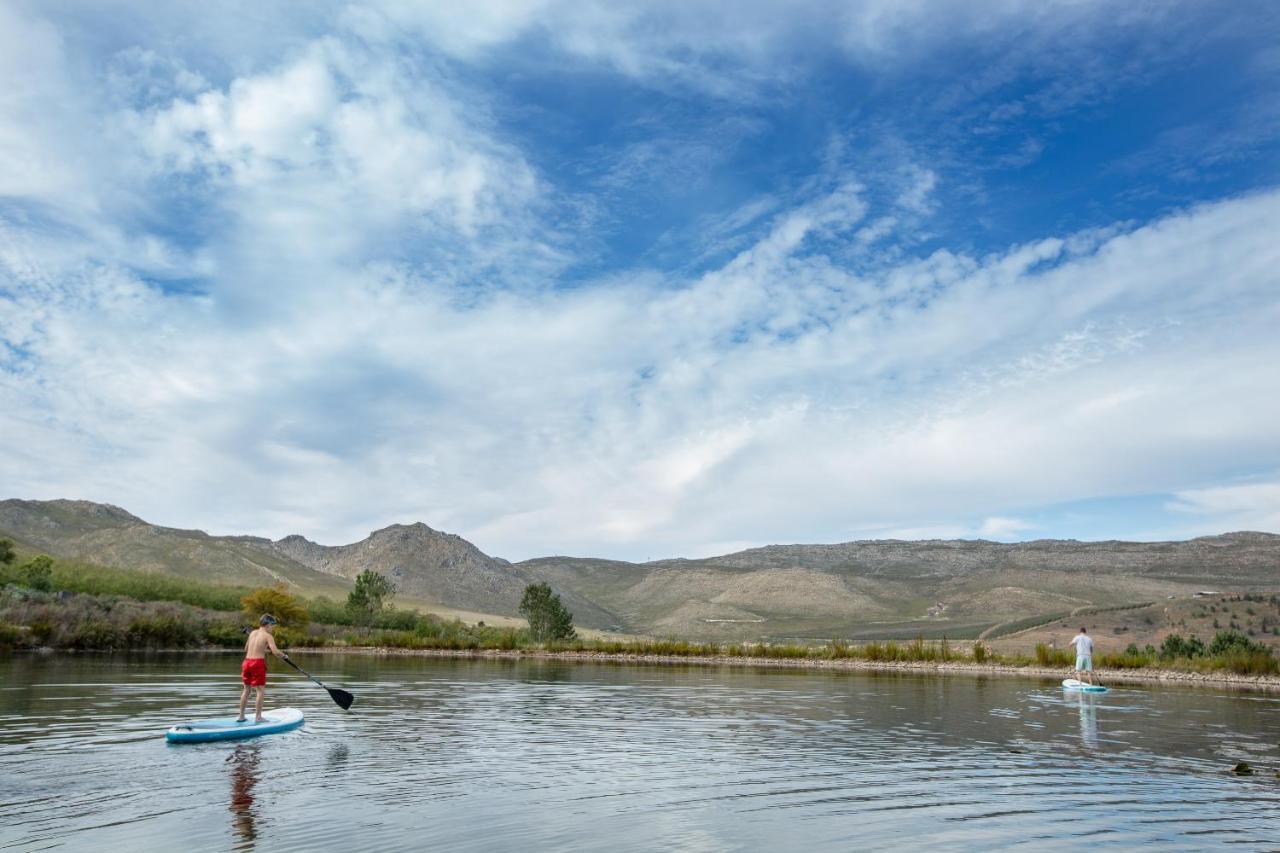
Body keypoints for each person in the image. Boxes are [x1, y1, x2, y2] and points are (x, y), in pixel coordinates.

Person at [238, 614, 289, 723]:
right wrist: (284, 656)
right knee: (260, 691)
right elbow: (275, 652)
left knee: (246, 690)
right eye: (272, 626)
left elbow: (245, 648)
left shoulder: (252, 633)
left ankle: (241, 716)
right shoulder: (268, 636)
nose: (273, 629)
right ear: (267, 625)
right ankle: (258, 717)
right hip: (257, 664)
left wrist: (261, 648)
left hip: (246, 662)